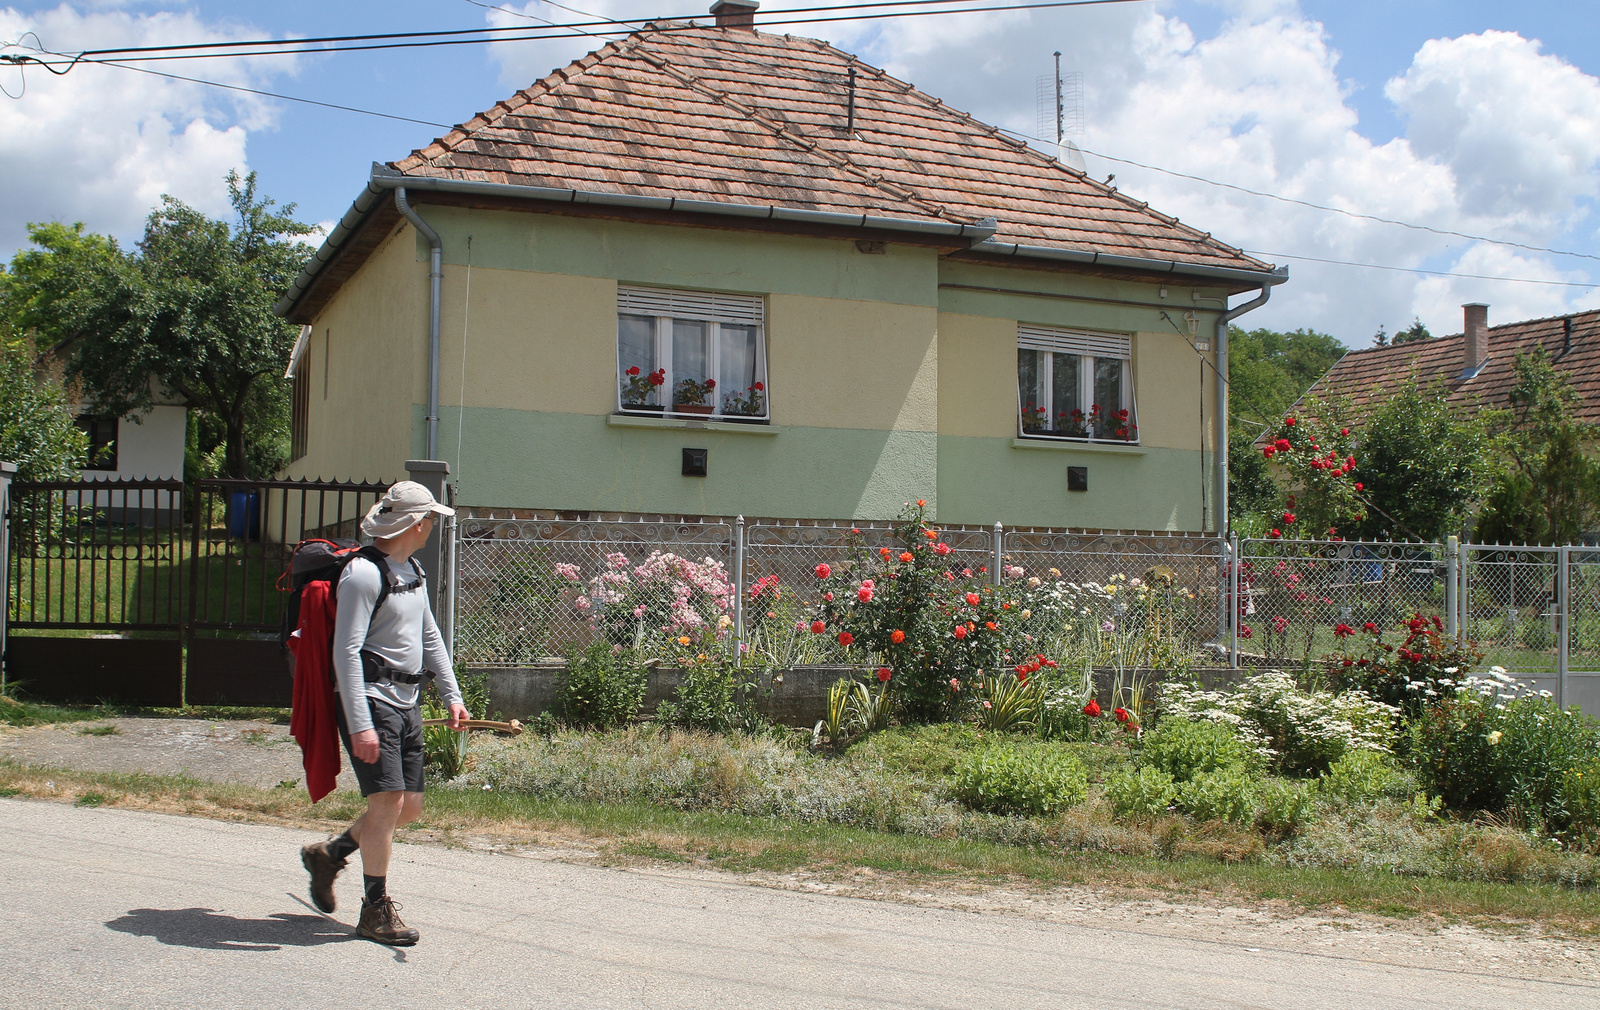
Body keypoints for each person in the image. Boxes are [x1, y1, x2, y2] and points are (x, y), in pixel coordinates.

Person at [299, 481, 469, 946]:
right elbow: (346, 652)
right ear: (416, 524)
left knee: (406, 809)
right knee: (387, 803)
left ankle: (330, 854)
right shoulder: (363, 575)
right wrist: (359, 723)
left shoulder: (410, 568)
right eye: (430, 518)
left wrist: (451, 694)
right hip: (372, 702)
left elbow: (429, 636)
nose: (433, 525)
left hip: (407, 702)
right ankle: (374, 909)